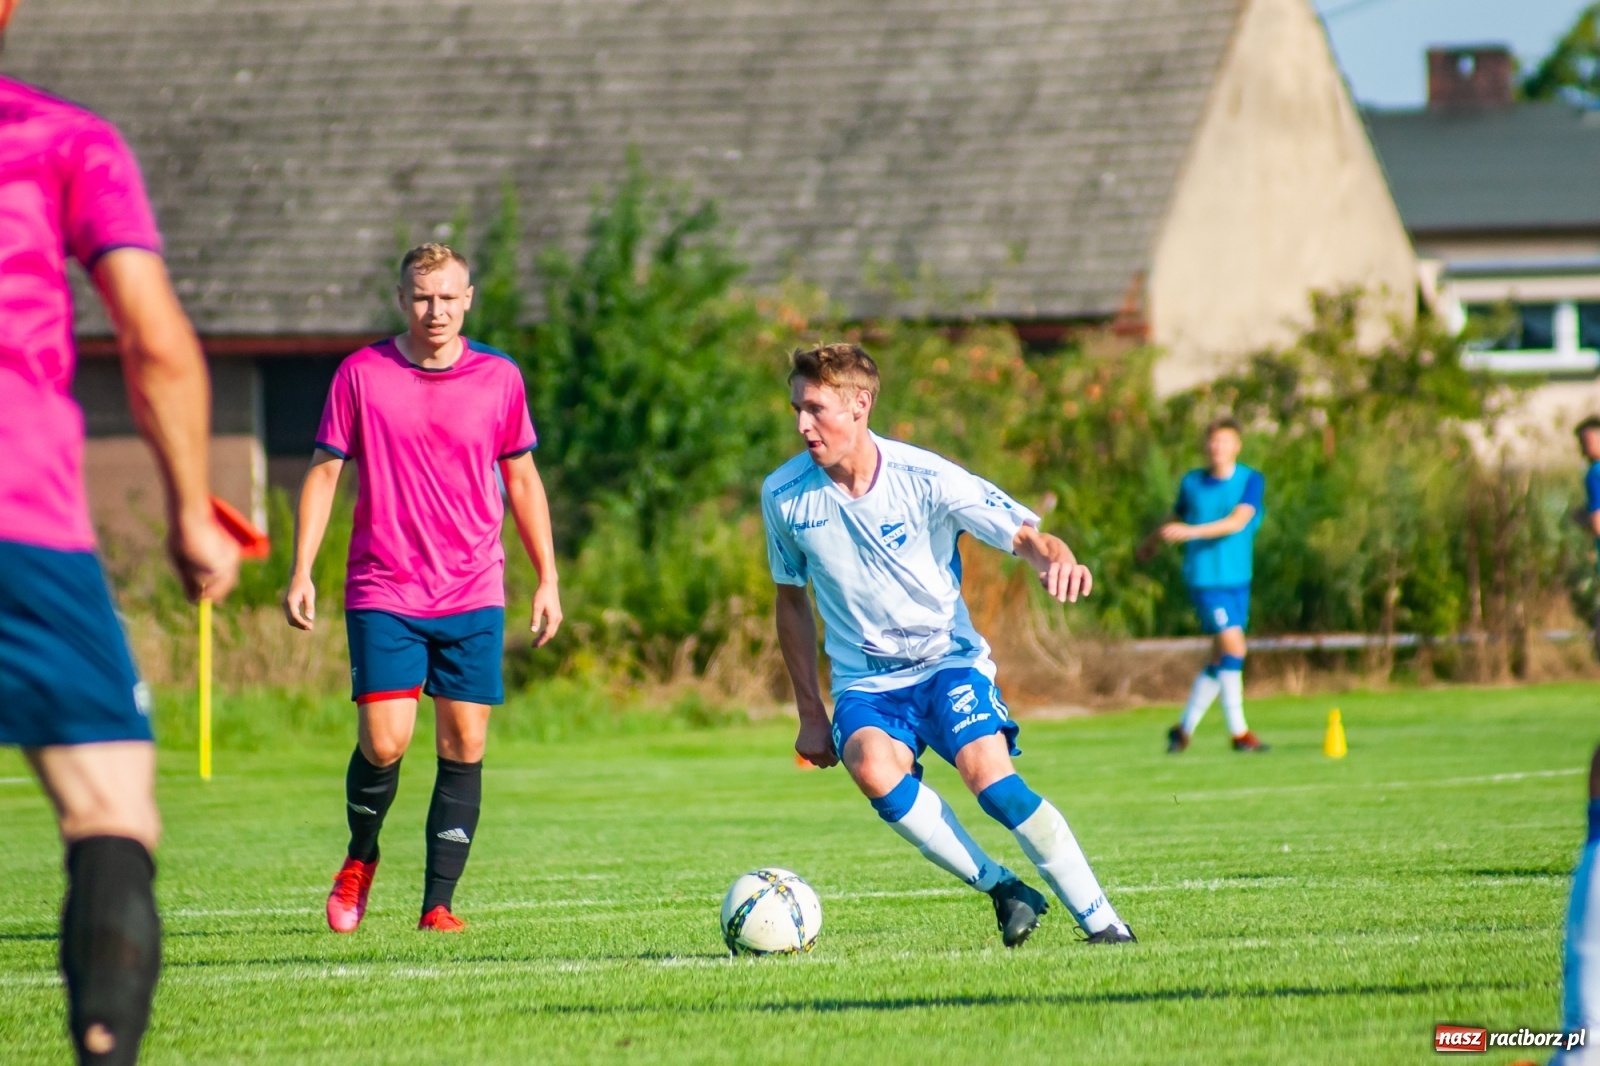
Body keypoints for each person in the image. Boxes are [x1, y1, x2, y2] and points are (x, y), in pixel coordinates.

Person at [0, 3, 242, 1059]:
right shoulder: (61, 140)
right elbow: (156, 343)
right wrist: (192, 506)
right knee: (108, 803)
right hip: (19, 511)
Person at [763, 343, 1134, 947]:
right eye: (796, 409)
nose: (802, 424)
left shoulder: (925, 477)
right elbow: (790, 600)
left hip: (946, 662)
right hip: (866, 681)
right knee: (870, 765)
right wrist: (811, 710)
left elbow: (1022, 533)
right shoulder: (784, 496)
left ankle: (1104, 924)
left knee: (990, 779)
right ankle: (1004, 888)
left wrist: (1055, 556)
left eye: (815, 409)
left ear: (861, 405)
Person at [284, 243, 561, 934]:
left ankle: (438, 905)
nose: (433, 310)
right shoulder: (361, 374)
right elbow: (324, 473)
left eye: (447, 297)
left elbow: (523, 480)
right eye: (421, 297)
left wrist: (548, 577)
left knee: (464, 742)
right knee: (384, 742)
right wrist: (301, 569)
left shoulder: (499, 378)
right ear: (402, 299)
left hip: (474, 589)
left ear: (468, 298)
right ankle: (360, 857)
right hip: (384, 587)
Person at [1138, 417, 1269, 754]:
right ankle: (1240, 734)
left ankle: (1182, 730)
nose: (1217, 447)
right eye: (1212, 441)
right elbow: (1174, 516)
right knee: (1235, 648)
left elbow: (1239, 521)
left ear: (1237, 445)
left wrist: (1191, 531)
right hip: (1206, 579)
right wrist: (1151, 541)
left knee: (1220, 657)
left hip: (1239, 577)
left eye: (1224, 441)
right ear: (1205, 446)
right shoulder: (1193, 482)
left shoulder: (1250, 480)